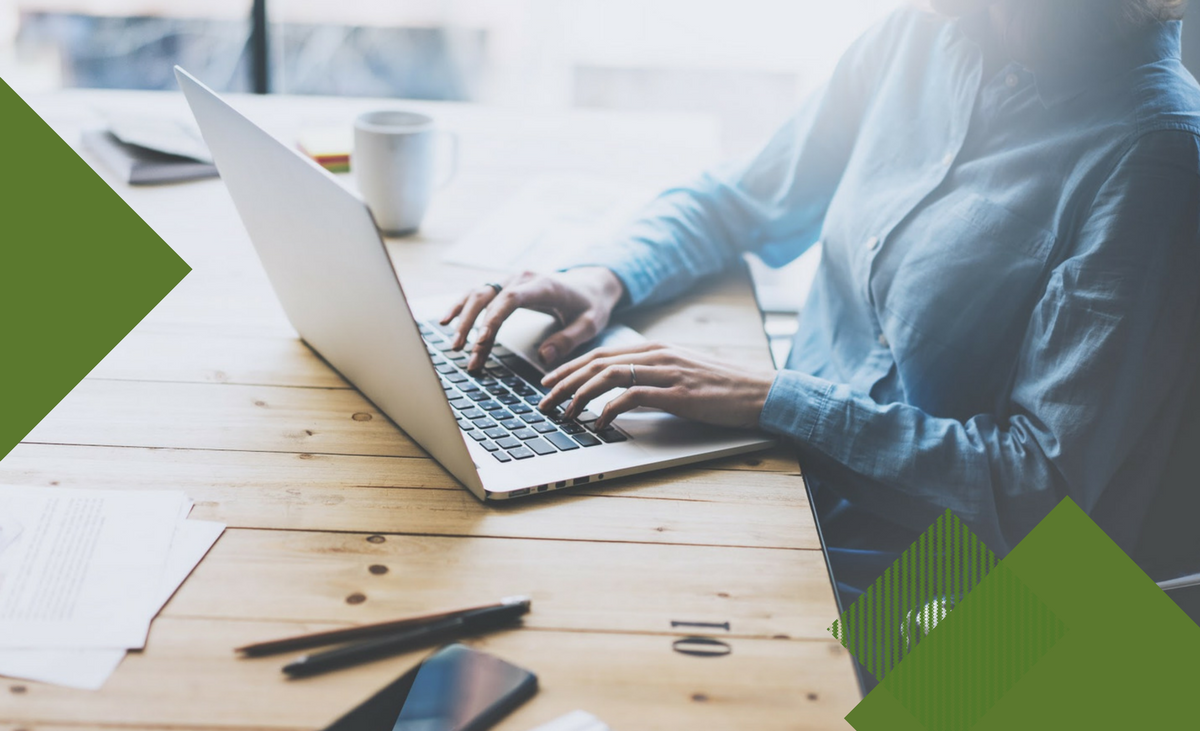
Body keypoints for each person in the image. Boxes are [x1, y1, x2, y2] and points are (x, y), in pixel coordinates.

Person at [442, 0, 1200, 578]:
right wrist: (604, 279)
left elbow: (1034, 496)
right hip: (790, 485)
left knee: (652, 662)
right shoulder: (923, 35)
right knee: (545, 555)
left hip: (977, 596)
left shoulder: (1157, 159)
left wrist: (774, 400)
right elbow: (742, 199)